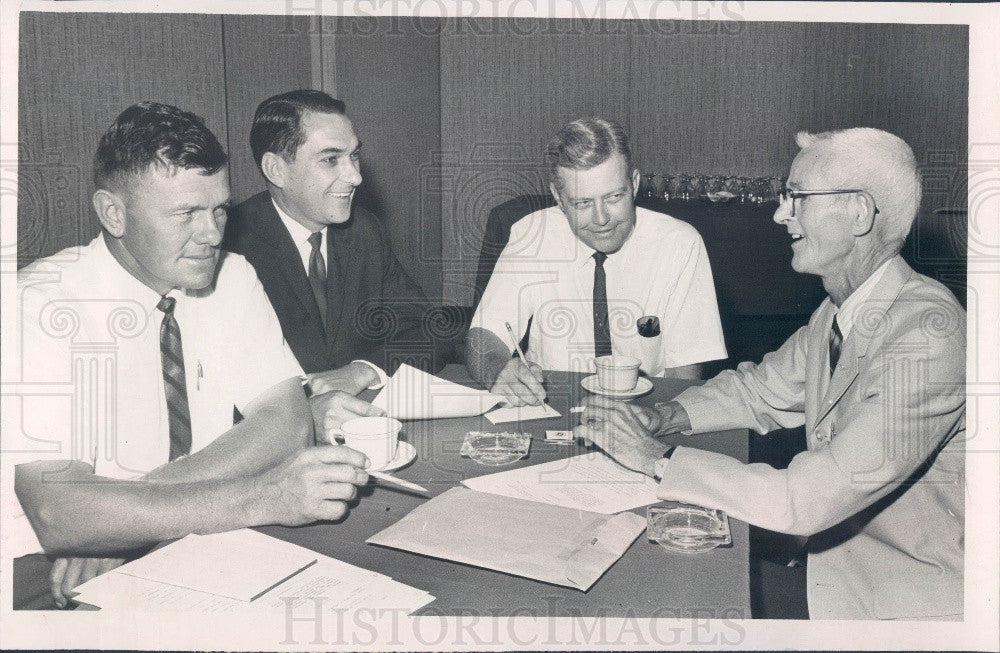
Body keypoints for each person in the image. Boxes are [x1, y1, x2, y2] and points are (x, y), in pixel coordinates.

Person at [575, 128, 965, 620]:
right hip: (823, 569)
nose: (780, 214)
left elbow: (802, 499)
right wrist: (666, 416)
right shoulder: (840, 311)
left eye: (796, 197)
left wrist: (657, 457)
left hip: (893, 609)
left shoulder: (928, 337)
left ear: (860, 214)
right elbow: (759, 389)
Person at [11, 102, 381, 607]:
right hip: (34, 572)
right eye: (185, 214)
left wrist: (122, 523)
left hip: (189, 540)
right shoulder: (38, 305)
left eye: (220, 210)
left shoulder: (233, 276)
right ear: (113, 213)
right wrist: (263, 496)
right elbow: (59, 516)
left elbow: (286, 422)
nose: (211, 235)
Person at [466, 117, 727, 406]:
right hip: (553, 403)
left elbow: (684, 372)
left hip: (647, 407)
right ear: (559, 197)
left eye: (614, 197)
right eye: (583, 203)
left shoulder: (680, 243)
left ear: (635, 184)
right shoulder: (531, 234)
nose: (601, 219)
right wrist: (498, 371)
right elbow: (484, 334)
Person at [223, 89, 448, 396]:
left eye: (354, 155)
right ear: (276, 169)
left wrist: (362, 370)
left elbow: (427, 331)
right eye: (331, 159)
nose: (355, 176)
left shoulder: (363, 231)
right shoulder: (227, 245)